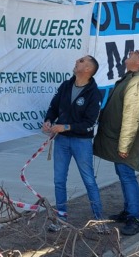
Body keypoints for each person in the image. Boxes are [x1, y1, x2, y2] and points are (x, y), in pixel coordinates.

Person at [42, 55, 108, 234]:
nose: (77, 61)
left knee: (89, 180)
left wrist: (65, 126)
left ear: (88, 69)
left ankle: (99, 219)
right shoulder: (65, 86)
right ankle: (61, 219)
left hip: (81, 142)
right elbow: (53, 108)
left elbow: (89, 123)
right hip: (61, 141)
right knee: (59, 181)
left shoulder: (94, 93)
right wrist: (48, 121)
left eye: (81, 61)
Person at [93, 46, 139, 236]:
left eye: (133, 54)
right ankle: (128, 211)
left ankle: (133, 217)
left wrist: (125, 145)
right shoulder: (131, 79)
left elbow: (132, 115)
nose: (129, 55)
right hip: (119, 138)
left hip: (125, 141)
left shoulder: (137, 82)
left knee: (126, 175)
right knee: (123, 173)